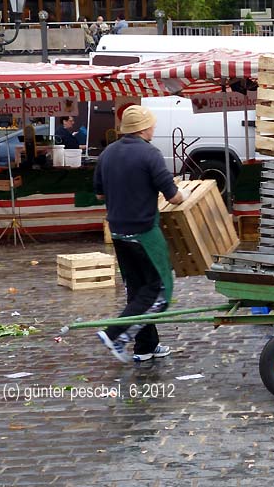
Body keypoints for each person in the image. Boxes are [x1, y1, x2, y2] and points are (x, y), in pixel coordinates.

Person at [93, 105, 187, 363]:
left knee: (137, 291)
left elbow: (100, 194)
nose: (154, 127)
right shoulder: (150, 154)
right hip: (143, 232)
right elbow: (174, 197)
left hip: (119, 233)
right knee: (159, 291)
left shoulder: (107, 154)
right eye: (152, 124)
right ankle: (114, 334)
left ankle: (145, 347)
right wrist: (185, 194)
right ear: (144, 128)